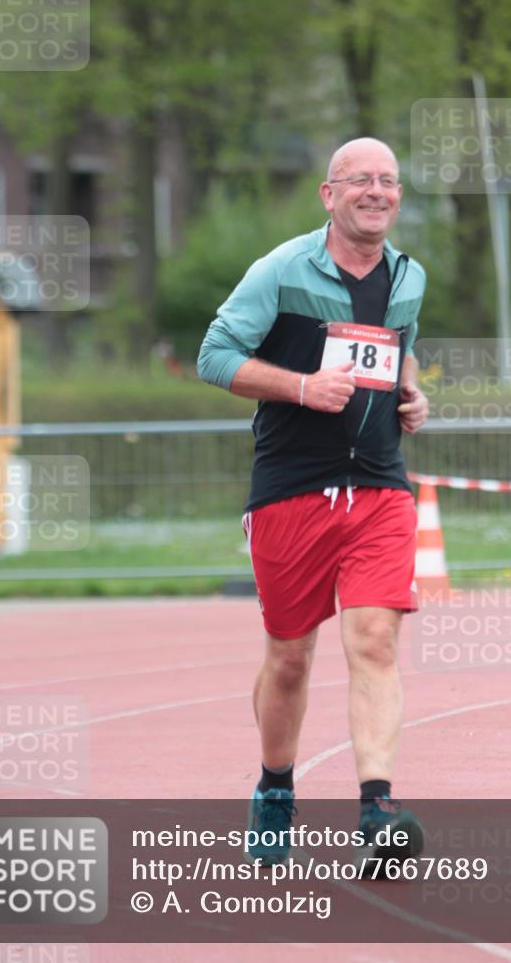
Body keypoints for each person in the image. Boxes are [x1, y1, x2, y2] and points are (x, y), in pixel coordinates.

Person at [197, 137, 429, 874]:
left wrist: (412, 394)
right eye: (358, 180)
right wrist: (299, 387)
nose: (375, 191)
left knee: (374, 641)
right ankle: (273, 789)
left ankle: (376, 809)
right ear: (327, 195)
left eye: (387, 181)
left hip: (380, 487)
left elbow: (399, 351)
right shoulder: (281, 269)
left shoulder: (408, 275)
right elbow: (213, 355)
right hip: (292, 487)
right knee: (290, 659)